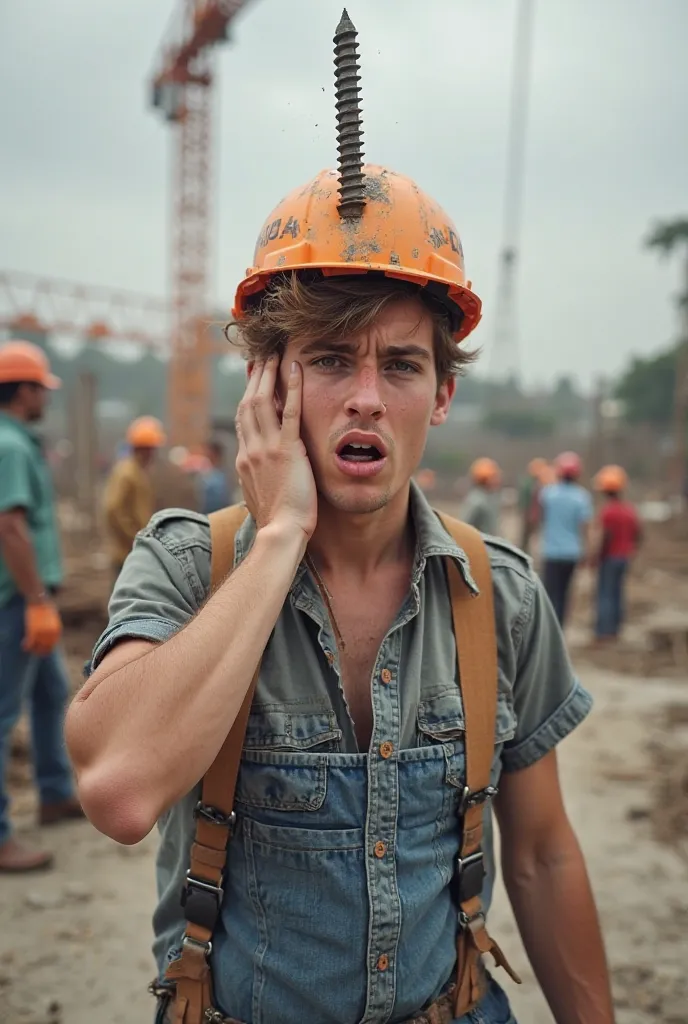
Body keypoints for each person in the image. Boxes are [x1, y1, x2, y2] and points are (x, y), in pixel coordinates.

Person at [65, 13, 613, 1024]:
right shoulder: (190, 568)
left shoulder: (497, 595)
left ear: (440, 397)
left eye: (400, 365)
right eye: (328, 360)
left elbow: (537, 853)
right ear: (268, 382)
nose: (365, 397)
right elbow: (119, 790)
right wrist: (276, 543)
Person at [0, 341, 83, 873]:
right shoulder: (10, 446)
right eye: (40, 389)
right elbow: (11, 527)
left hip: (28, 598)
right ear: (23, 390)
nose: (44, 398)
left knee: (52, 692)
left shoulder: (17, 442)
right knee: (3, 714)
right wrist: (34, 601)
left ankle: (54, 791)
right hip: (15, 600)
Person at [102, 416, 166, 582]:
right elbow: (113, 509)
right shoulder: (127, 473)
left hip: (133, 550)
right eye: (152, 449)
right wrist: (134, 536)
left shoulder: (138, 472)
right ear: (144, 449)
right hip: (126, 553)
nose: (154, 454)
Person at [539, 451, 593, 626]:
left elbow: (539, 518)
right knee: (564, 594)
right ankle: (560, 627)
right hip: (572, 553)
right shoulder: (582, 497)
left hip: (551, 552)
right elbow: (584, 527)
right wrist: (587, 551)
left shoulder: (548, 494)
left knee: (549, 594)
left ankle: (547, 628)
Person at [592, 465, 641, 642]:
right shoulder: (629, 510)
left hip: (610, 557)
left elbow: (605, 537)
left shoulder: (607, 512)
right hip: (624, 557)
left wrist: (596, 557)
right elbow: (638, 534)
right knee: (618, 592)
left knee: (605, 593)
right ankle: (616, 628)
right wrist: (631, 550)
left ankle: (603, 631)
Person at [460, 457, 502, 535]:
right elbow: (464, 526)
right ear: (484, 479)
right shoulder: (476, 501)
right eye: (494, 476)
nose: (498, 479)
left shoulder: (491, 498)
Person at [517, 457, 547, 553]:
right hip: (530, 514)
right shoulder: (529, 484)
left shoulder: (542, 484)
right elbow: (524, 501)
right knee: (526, 537)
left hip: (536, 515)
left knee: (533, 537)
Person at [199, 439, 230, 514]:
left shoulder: (221, 474)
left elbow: (221, 498)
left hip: (216, 512)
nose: (206, 453)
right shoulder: (205, 470)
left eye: (209, 451)